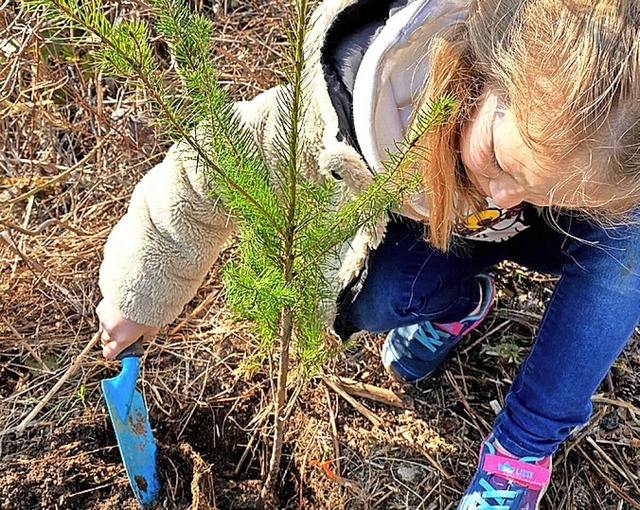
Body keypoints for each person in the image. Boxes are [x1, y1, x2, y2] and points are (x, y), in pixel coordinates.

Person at [97, 0, 640, 508]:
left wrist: (543, 190)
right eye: (500, 162)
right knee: (379, 294)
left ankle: (524, 445)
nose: (503, 195)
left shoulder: (598, 148)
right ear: (479, 71)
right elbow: (203, 172)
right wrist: (137, 295)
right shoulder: (359, 108)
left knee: (632, 243)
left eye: (543, 190)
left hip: (542, 236)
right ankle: (457, 303)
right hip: (431, 239)